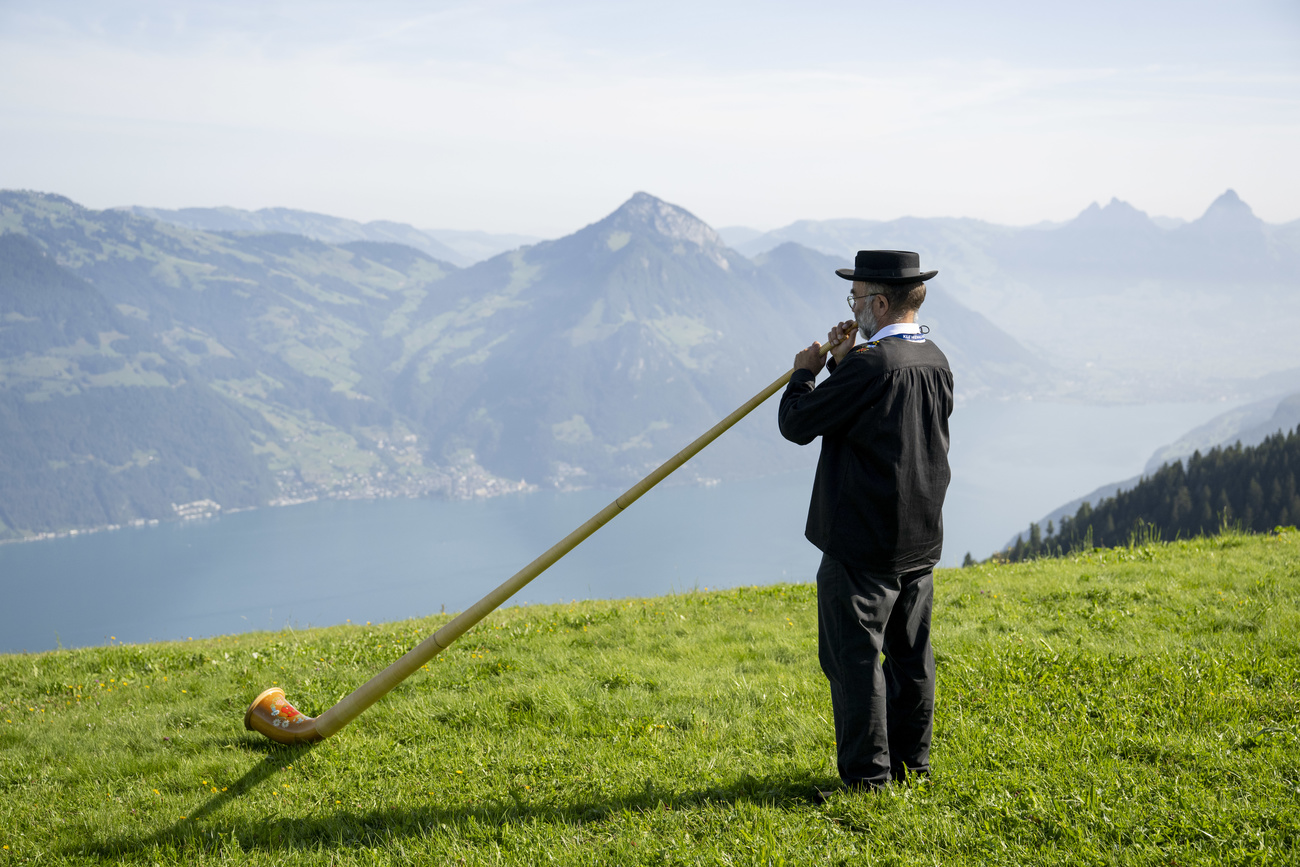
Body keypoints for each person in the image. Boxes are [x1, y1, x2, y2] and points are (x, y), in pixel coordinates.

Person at [778, 249, 953, 796]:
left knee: (855, 661)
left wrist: (805, 372)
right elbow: (880, 421)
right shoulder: (933, 359)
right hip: (919, 540)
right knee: (909, 659)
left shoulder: (870, 366)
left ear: (879, 302)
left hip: (862, 545)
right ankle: (911, 768)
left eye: (855, 299)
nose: (852, 308)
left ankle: (867, 781)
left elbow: (798, 424)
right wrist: (842, 364)